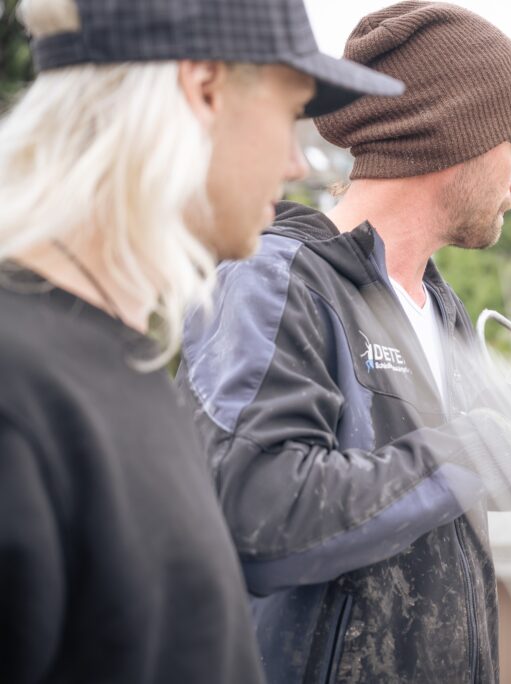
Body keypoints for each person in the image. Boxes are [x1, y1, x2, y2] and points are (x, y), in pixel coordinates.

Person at [176, 2, 511, 682]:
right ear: (454, 132)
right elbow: (260, 514)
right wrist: (481, 443)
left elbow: (445, 489)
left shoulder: (434, 305)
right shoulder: (273, 282)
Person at [0, 0, 402, 682]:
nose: (293, 164)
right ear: (205, 88)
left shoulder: (120, 362)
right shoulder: (20, 393)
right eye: (289, 115)